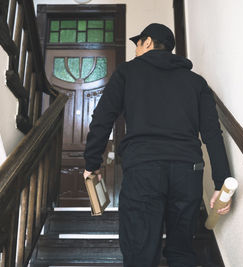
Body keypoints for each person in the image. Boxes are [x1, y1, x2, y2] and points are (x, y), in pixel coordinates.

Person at [83, 23, 232, 267]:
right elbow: (212, 133)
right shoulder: (197, 83)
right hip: (188, 171)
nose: (136, 50)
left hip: (143, 170)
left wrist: (92, 163)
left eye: (138, 43)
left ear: (148, 42)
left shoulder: (126, 73)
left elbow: (102, 118)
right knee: (182, 252)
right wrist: (221, 183)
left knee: (140, 253)